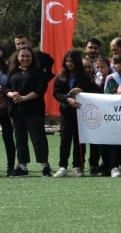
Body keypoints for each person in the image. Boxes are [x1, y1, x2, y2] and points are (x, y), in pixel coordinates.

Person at [4, 46, 51, 176]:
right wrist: (12, 94)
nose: (25, 58)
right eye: (22, 56)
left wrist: (24, 98)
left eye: (28, 56)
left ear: (32, 57)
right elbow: (6, 88)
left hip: (34, 111)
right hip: (16, 111)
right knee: (20, 139)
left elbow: (40, 89)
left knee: (38, 138)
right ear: (17, 57)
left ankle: (44, 166)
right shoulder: (12, 71)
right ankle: (22, 167)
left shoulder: (38, 71)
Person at [52, 49, 97, 177]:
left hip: (81, 113)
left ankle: (78, 166)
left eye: (72, 61)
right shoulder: (60, 77)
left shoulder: (85, 77)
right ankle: (63, 166)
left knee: (79, 141)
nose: (69, 63)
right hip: (66, 113)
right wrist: (68, 99)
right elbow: (56, 93)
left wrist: (81, 91)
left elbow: (93, 91)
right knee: (65, 140)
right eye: (67, 61)